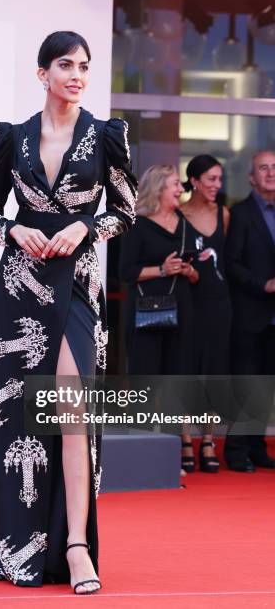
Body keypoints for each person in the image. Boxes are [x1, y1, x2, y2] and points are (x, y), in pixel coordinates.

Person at [0, 31, 137, 594]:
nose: (76, 75)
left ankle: (77, 546)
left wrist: (86, 226)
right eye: (64, 65)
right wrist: (13, 230)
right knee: (18, 419)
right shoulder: (12, 138)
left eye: (83, 66)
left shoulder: (107, 136)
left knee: (74, 409)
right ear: (43, 74)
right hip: (21, 288)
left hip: (77, 284)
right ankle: (15, 546)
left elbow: (125, 210)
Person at [120, 166, 198, 428]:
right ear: (159, 188)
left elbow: (197, 271)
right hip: (146, 313)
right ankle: (141, 449)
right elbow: (125, 271)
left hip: (182, 310)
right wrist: (162, 270)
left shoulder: (185, 223)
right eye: (175, 184)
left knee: (175, 382)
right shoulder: (137, 224)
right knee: (145, 382)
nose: (181, 189)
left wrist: (188, 270)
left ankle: (170, 452)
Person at [224, 151, 275, 472]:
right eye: (264, 168)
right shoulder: (240, 214)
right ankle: (236, 449)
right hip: (250, 313)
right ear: (252, 178)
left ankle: (256, 446)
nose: (271, 173)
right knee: (246, 384)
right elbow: (232, 264)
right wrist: (263, 285)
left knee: (267, 384)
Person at [179, 155, 231, 473]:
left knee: (213, 372)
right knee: (186, 371)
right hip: (188, 302)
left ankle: (208, 439)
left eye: (220, 180)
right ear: (194, 181)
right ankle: (186, 438)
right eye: (211, 179)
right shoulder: (178, 214)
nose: (217, 186)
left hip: (218, 303)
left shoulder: (223, 214)